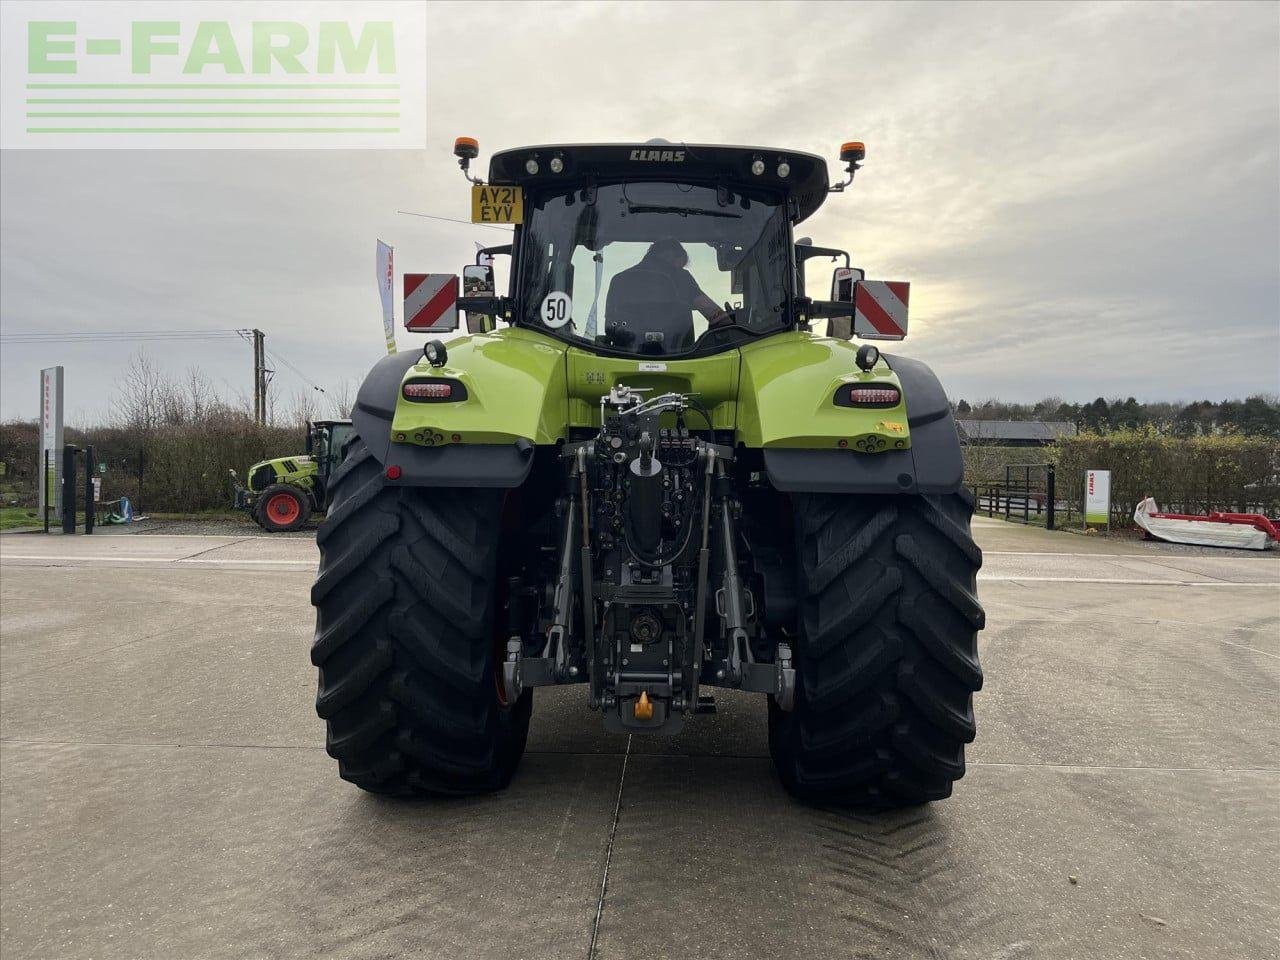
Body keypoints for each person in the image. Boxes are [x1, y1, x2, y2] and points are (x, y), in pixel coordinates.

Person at [604, 240, 729, 351]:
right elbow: (711, 312)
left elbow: (610, 325)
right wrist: (732, 326)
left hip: (624, 355)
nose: (680, 268)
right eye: (680, 264)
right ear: (670, 255)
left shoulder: (619, 280)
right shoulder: (680, 276)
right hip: (679, 356)